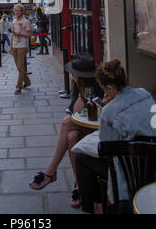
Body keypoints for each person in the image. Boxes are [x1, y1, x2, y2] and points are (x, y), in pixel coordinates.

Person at [74, 59, 156, 214]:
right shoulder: (145, 94)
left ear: (110, 88)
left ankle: (91, 208)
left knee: (81, 159)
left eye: (104, 89)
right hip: (153, 165)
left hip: (129, 175)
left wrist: (108, 108)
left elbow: (106, 147)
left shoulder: (110, 111)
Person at [29, 52, 104, 208]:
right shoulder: (78, 85)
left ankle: (51, 171)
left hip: (100, 128)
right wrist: (79, 90)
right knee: (71, 137)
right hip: (84, 126)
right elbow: (75, 112)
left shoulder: (100, 84)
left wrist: (86, 96)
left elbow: (101, 112)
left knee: (65, 123)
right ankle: (80, 186)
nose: (72, 76)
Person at [9, 4, 32, 95]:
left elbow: (29, 34)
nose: (17, 12)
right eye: (16, 10)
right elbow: (12, 35)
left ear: (22, 11)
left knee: (21, 67)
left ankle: (18, 87)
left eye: (19, 10)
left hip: (22, 46)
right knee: (19, 67)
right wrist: (10, 46)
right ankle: (27, 82)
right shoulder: (13, 21)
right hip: (15, 46)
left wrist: (21, 34)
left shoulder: (26, 21)